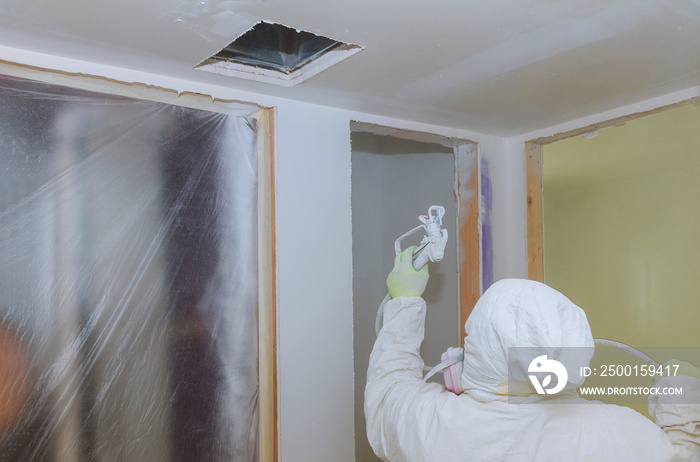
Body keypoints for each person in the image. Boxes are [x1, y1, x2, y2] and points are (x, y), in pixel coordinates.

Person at [365, 247, 700, 461]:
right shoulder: (618, 431)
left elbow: (386, 396)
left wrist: (404, 302)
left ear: (481, 345)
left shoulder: (431, 423)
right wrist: (682, 397)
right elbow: (682, 455)